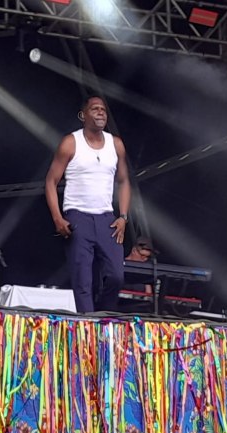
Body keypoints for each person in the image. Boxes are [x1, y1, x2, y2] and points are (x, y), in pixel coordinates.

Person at [45, 95, 131, 313]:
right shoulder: (70, 143)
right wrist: (58, 218)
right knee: (83, 281)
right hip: (78, 217)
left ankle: (102, 316)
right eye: (95, 108)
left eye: (103, 109)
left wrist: (123, 216)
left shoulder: (116, 144)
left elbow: (123, 181)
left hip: (106, 219)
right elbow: (51, 181)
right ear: (83, 115)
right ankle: (89, 324)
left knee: (116, 276)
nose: (101, 112)